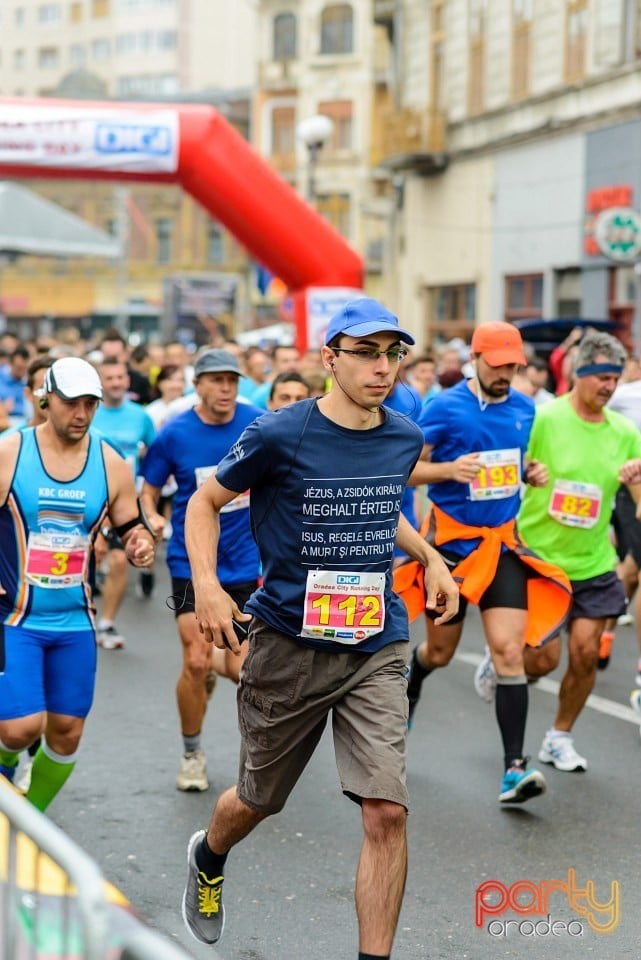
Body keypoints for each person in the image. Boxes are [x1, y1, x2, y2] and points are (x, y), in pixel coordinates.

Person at [179, 297, 458, 955]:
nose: (382, 367)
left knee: (386, 811)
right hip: (288, 643)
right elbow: (204, 501)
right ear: (329, 358)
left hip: (376, 642)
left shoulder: (402, 435)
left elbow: (379, 504)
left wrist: (428, 557)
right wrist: (209, 589)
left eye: (392, 353)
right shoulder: (280, 433)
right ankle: (210, 854)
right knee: (256, 800)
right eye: (365, 352)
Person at [403, 321, 572, 805]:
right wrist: (447, 470)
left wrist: (529, 473)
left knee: (510, 654)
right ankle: (413, 682)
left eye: (512, 366)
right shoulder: (445, 406)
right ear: (476, 359)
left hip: (502, 546)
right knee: (439, 653)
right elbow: (407, 470)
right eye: (496, 365)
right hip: (450, 551)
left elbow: (512, 465)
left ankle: (513, 770)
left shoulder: (524, 409)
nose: (505, 374)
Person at [0, 357, 156, 811]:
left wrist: (140, 542)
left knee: (66, 731)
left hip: (75, 619)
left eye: (90, 404)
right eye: (72, 403)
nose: (82, 414)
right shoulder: (11, 452)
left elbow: (131, 523)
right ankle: (8, 779)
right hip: (14, 617)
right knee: (19, 728)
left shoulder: (110, 463)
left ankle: (29, 821)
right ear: (45, 399)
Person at [517, 332, 641, 772]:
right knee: (541, 659)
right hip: (539, 557)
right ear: (579, 374)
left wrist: (635, 479)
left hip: (592, 560)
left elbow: (638, 503)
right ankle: (506, 664)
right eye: (602, 377)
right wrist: (527, 472)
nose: (609, 386)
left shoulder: (625, 432)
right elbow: (515, 469)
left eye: (615, 378)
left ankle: (559, 736)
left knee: (587, 652)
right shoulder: (544, 418)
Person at [141, 350, 264, 793]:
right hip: (193, 563)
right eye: (216, 380)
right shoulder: (175, 435)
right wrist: (152, 518)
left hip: (248, 564)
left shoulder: (258, 424)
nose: (226, 389)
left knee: (246, 668)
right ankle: (192, 753)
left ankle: (258, 759)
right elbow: (149, 491)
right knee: (194, 661)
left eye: (232, 380)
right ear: (198, 384)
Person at [92, 357, 156, 644]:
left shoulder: (141, 417)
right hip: (91, 499)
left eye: (120, 377)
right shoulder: (90, 413)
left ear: (128, 381)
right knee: (89, 559)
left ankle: (106, 623)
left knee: (118, 561)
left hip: (126, 501)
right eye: (110, 378)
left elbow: (154, 455)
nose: (116, 383)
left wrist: (150, 498)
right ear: (101, 383)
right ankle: (82, 615)